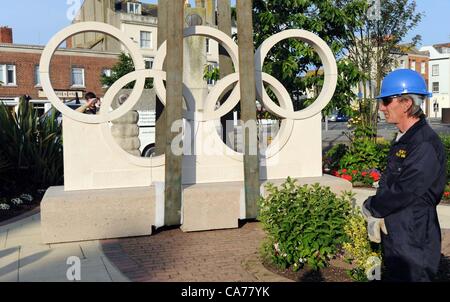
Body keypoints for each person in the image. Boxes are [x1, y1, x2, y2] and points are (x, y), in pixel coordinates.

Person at [362, 69, 447, 282]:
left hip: (414, 238)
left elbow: (406, 190)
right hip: (400, 234)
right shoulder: (406, 139)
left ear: (406, 103)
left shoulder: (423, 143)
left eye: (387, 101)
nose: (381, 107)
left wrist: (372, 206)